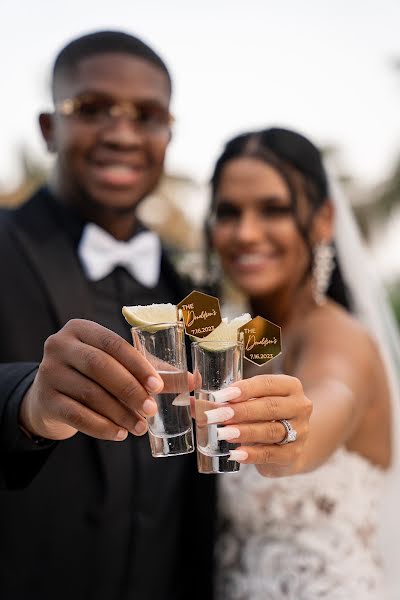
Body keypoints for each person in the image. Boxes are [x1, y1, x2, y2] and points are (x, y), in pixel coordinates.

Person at [0, 34, 311, 600]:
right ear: (49, 128)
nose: (122, 134)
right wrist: (27, 402)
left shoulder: (193, 296)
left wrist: (284, 430)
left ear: (168, 135)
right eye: (92, 110)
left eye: (147, 116)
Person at [206, 127, 400, 599]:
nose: (246, 233)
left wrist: (295, 428)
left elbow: (333, 395)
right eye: (229, 212)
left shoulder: (343, 339)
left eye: (274, 209)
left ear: (323, 219)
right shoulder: (240, 337)